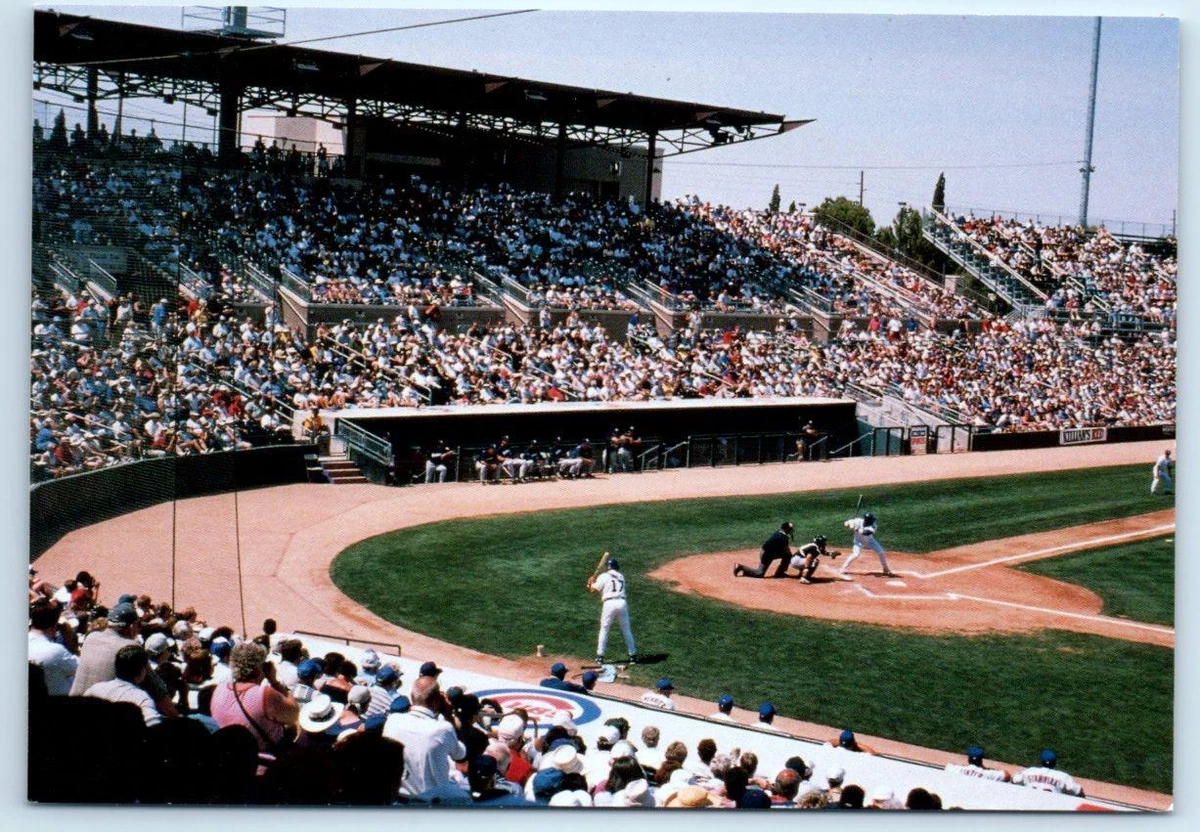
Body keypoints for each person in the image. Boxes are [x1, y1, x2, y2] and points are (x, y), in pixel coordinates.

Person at [383, 675, 467, 798]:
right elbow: (460, 755)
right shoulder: (443, 728)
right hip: (431, 803)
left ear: (412, 697)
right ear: (438, 701)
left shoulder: (392, 720)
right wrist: (448, 715)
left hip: (394, 798)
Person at [587, 556, 637, 665]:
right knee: (626, 630)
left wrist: (590, 583)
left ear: (608, 567)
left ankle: (600, 657)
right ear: (616, 567)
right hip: (622, 603)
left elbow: (592, 590)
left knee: (604, 629)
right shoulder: (621, 576)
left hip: (609, 604)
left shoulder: (603, 576)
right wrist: (592, 583)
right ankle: (633, 656)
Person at [837, 512, 894, 580]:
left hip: (870, 541)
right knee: (855, 554)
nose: (873, 521)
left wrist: (857, 529)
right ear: (867, 520)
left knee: (881, 552)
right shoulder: (858, 521)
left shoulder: (873, 525)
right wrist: (850, 524)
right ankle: (842, 568)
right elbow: (846, 523)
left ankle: (885, 569)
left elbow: (867, 533)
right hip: (858, 542)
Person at [1012, 748, 1084, 796]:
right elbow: (1079, 791)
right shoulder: (1062, 776)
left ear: (1042, 761)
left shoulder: (1030, 771)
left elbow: (1014, 780)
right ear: (1055, 762)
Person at [945, 744, 1011, 782]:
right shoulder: (987, 774)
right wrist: (986, 769)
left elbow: (948, 766)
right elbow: (1007, 775)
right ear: (981, 760)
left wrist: (964, 767)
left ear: (969, 759)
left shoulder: (956, 769)